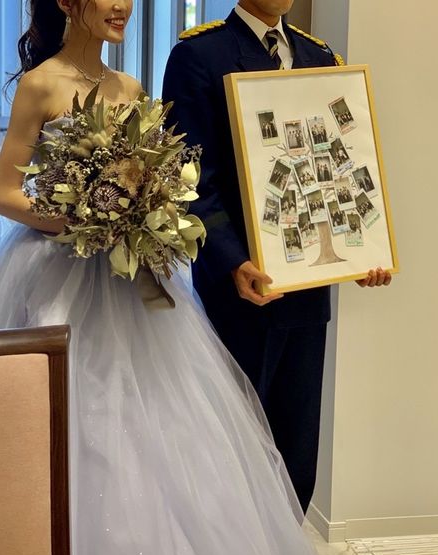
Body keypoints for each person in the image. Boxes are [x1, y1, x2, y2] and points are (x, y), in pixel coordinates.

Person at [0, 1, 327, 555]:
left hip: (132, 277)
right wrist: (87, 219)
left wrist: (145, 212)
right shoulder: (40, 84)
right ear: (67, 3)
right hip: (62, 272)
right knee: (79, 412)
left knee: (162, 422)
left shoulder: (130, 88)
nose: (123, 6)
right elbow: (5, 194)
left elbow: (168, 181)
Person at [163, 0, 391, 514]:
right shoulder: (199, 55)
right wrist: (231, 261)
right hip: (236, 292)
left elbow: (341, 164)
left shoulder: (320, 58)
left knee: (297, 452)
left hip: (307, 292)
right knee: (231, 449)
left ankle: (287, 549)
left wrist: (362, 249)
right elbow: (188, 181)